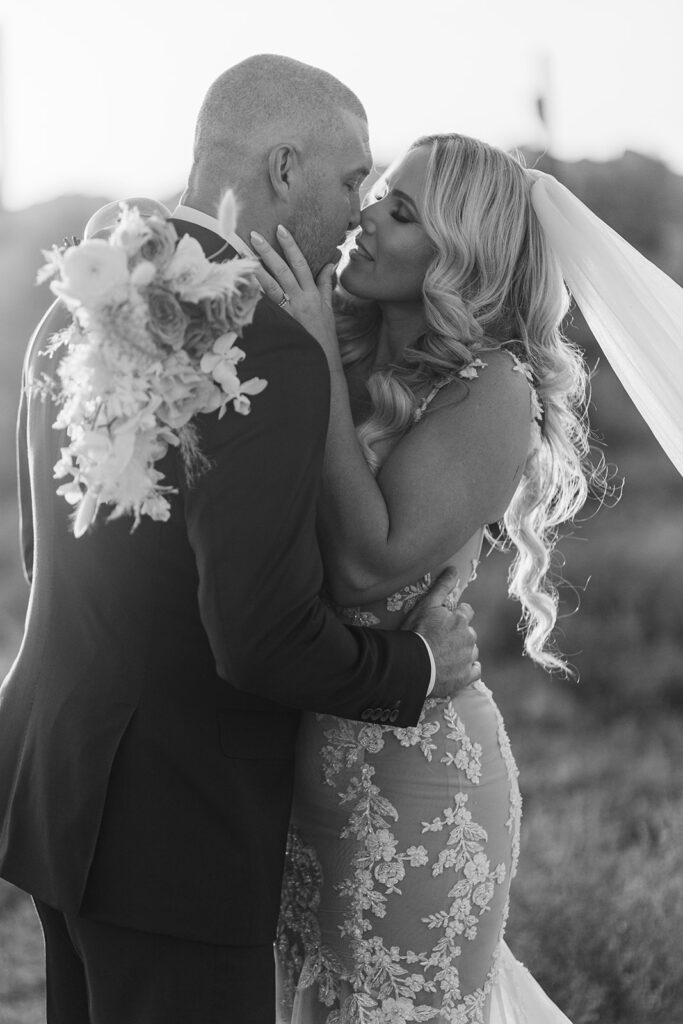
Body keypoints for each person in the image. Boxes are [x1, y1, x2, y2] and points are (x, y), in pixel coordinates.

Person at [0, 60, 482, 1024]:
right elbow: (259, 636)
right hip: (178, 836)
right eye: (353, 180)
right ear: (284, 165)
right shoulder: (267, 352)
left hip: (54, 787)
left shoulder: (74, 303)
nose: (360, 208)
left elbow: (43, 550)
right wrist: (417, 668)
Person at [249, 134, 602, 1023]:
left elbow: (369, 563)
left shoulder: (493, 388)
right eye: (380, 194)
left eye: (402, 213)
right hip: (296, 759)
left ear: (460, 254)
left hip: (418, 781)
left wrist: (315, 355)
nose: (367, 214)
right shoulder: (348, 340)